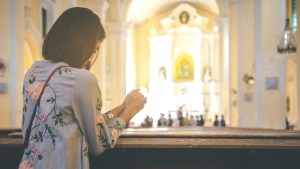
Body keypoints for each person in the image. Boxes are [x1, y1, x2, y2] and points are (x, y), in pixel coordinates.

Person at [19, 7, 146, 169]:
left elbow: (66, 121)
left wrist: (118, 109)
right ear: (85, 45)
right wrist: (129, 112)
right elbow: (98, 144)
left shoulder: (33, 71)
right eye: (96, 48)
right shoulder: (83, 79)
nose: (93, 56)